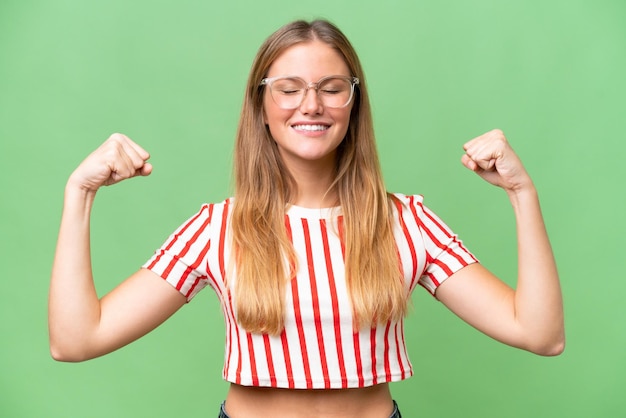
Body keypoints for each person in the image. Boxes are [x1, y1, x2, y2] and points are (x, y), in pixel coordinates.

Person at [48, 19, 565, 418]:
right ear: (262, 105)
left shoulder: (407, 222)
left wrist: (523, 194)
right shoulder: (216, 228)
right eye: (289, 88)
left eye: (331, 87)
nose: (311, 105)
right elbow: (76, 341)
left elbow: (541, 334)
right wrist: (80, 193)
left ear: (353, 103)